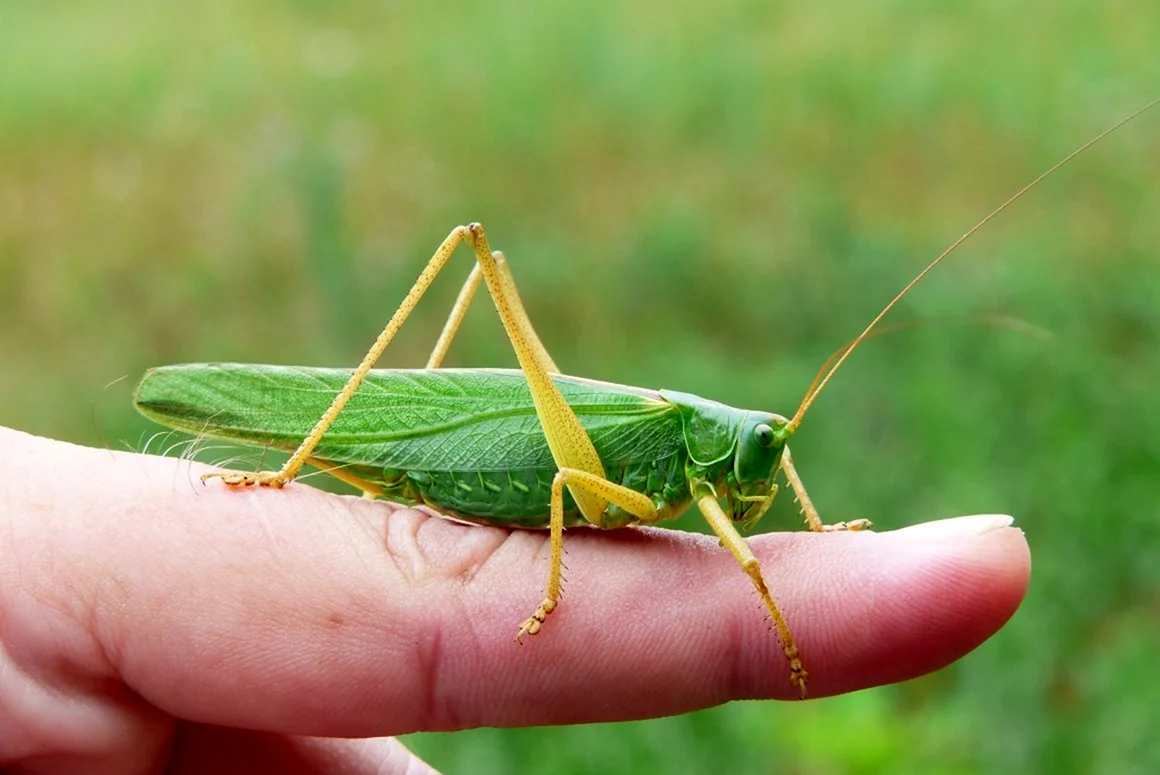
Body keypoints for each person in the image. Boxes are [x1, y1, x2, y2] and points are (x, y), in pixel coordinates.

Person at [0, 426, 1029, 773]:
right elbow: (565, 489)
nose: (766, 463)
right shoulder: (666, 437)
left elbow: (750, 498)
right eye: (759, 448)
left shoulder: (722, 459)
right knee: (477, 251)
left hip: (541, 474)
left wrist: (816, 523)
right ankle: (294, 457)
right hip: (524, 469)